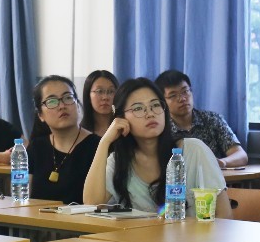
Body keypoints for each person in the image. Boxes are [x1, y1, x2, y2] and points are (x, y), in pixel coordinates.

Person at [84, 77, 230, 218]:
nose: (150, 113)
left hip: (193, 235)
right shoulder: (119, 161)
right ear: (121, 118)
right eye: (138, 108)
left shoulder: (194, 151)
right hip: (141, 236)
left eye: (155, 105)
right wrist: (104, 142)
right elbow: (91, 203)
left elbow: (224, 215)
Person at [26, 75, 100, 204]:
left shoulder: (98, 146)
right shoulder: (36, 147)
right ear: (41, 115)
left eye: (68, 98)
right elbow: (22, 197)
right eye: (52, 101)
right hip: (36, 216)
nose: (62, 106)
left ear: (77, 105)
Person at [154, 70, 248, 169]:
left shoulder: (212, 119)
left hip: (213, 178)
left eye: (185, 91)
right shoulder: (161, 128)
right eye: (173, 95)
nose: (182, 99)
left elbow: (241, 155)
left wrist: (222, 162)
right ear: (162, 102)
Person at [80, 69, 118, 138]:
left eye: (111, 91)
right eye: (99, 91)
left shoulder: (124, 129)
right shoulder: (79, 133)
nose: (105, 97)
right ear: (88, 95)